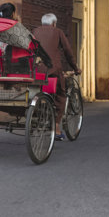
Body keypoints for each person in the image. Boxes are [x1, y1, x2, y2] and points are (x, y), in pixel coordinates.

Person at [32, 13, 79, 141]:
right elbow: (68, 51)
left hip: (36, 71)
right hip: (53, 70)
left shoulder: (35, 31)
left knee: (35, 92)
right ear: (54, 23)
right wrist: (75, 68)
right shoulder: (58, 31)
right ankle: (57, 127)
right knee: (61, 95)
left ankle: (35, 117)